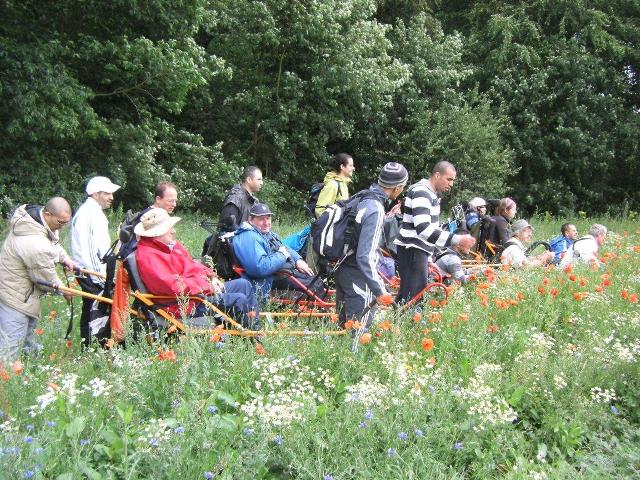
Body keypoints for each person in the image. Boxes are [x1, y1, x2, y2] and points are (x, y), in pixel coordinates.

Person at [134, 208, 258, 328]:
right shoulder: (149, 256)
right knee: (238, 300)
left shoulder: (168, 246)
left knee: (244, 284)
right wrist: (207, 287)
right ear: (157, 233)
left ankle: (254, 326)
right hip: (182, 304)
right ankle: (250, 337)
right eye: (169, 228)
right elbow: (175, 287)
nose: (173, 231)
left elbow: (191, 265)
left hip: (195, 295)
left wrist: (210, 276)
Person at [333, 162, 407, 329]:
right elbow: (365, 256)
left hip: (343, 269)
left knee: (343, 329)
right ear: (397, 188)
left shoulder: (362, 197)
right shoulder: (376, 210)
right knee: (358, 334)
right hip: (358, 277)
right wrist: (379, 290)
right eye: (402, 187)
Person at [0, 198, 75, 360]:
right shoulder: (34, 243)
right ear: (48, 214)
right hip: (15, 296)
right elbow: (46, 278)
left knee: (28, 337)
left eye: (66, 222)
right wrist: (65, 291)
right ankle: (6, 379)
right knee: (10, 346)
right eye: (61, 222)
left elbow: (53, 243)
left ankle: (29, 367)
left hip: (27, 294)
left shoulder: (38, 221)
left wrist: (65, 258)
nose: (63, 226)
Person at [394, 161, 475, 303]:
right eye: (449, 179)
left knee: (408, 296)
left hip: (417, 251)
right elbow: (424, 228)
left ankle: (401, 323)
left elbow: (429, 231)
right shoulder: (422, 192)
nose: (451, 184)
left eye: (453, 180)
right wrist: (457, 240)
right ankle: (410, 324)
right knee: (414, 298)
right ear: (437, 175)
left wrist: (429, 258)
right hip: (412, 250)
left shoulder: (430, 194)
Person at [232, 203, 321, 300]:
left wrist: (297, 260)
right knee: (315, 285)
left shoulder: (265, 233)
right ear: (250, 220)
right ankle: (320, 312)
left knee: (317, 281)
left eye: (268, 218)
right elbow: (259, 267)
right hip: (269, 279)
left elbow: (284, 248)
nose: (266, 223)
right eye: (261, 219)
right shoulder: (249, 237)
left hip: (282, 272)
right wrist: (282, 255)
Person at [71, 176, 120, 347]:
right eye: (107, 193)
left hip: (91, 271)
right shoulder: (90, 213)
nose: (111, 197)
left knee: (91, 309)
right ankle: (91, 347)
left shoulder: (93, 212)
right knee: (93, 310)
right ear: (96, 193)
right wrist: (100, 278)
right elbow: (91, 251)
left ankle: (90, 346)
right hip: (91, 273)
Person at [118, 181, 178, 258]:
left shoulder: (158, 215)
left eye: (175, 201)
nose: (174, 204)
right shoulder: (150, 217)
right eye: (170, 201)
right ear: (158, 199)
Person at [218, 166, 263, 234]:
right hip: (232, 242)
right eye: (259, 179)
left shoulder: (254, 201)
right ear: (249, 180)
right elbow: (226, 224)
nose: (261, 183)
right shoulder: (235, 198)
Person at [314, 153, 354, 218]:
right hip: (331, 226)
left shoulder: (343, 184)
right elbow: (320, 211)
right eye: (351, 165)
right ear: (342, 167)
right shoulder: (333, 184)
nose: (353, 168)